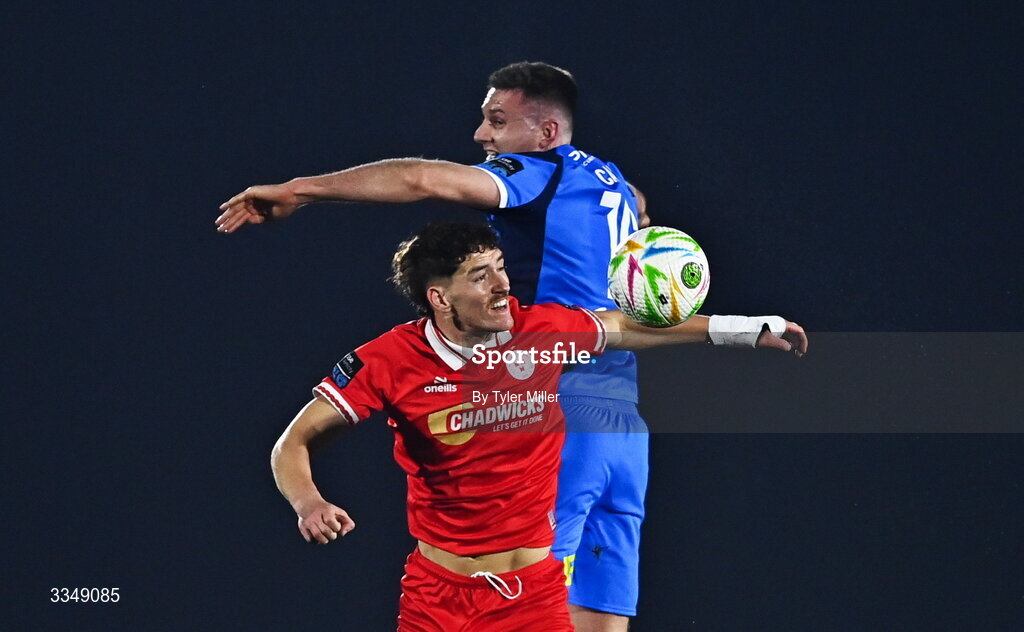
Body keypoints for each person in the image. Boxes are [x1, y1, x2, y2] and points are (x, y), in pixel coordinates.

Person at [219, 62, 807, 630]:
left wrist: (301, 191)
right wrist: (741, 325)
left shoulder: (536, 175)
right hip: (623, 419)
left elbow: (422, 178)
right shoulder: (612, 182)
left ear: (546, 133)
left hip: (555, 402)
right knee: (599, 613)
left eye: (497, 121)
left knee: (533, 584)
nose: (482, 135)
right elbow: (631, 271)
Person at [270, 221, 807, 631]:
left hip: (533, 596)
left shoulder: (541, 333)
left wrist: (742, 329)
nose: (503, 285)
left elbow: (623, 327)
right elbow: (292, 443)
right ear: (439, 298)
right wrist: (309, 503)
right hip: (438, 598)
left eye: (501, 267)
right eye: (481, 276)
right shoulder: (388, 361)